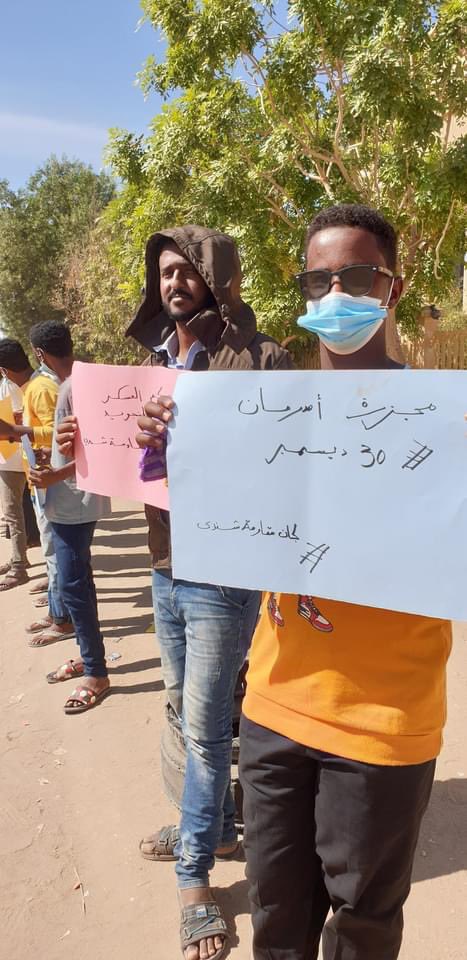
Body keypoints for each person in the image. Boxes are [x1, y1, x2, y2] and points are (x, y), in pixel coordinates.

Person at [57, 225, 291, 960]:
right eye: (162, 273)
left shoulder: (262, 359)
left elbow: (281, 460)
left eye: (186, 270)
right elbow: (130, 466)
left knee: (206, 722)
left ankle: (194, 879)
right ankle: (214, 827)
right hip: (164, 566)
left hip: (222, 572)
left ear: (217, 276)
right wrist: (80, 450)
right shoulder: (148, 365)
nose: (172, 283)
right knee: (179, 706)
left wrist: (194, 424)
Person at [239, 203, 452, 960]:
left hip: (382, 724)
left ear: (391, 289)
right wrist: (159, 444)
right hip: (272, 706)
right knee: (275, 916)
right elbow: (214, 515)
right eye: (318, 279)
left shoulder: (443, 421)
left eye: (356, 276)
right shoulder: (259, 413)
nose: (336, 295)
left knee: (361, 921)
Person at [29, 340, 111, 714]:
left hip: (73, 502)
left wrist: (52, 476)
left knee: (73, 585)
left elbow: (100, 448)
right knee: (79, 582)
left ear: (40, 353)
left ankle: (95, 671)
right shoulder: (80, 380)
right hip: (71, 501)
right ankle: (90, 656)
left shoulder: (75, 385)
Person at [0, 324, 74, 645]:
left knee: (56, 551)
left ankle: (62, 618)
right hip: (40, 478)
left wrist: (22, 432)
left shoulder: (40, 389)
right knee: (51, 549)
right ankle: (56, 610)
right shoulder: (37, 388)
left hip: (51, 479)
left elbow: (59, 432)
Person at [0, 341, 33, 589]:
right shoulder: (30, 382)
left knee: (13, 513)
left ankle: (19, 566)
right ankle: (17, 558)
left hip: (14, 456)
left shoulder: (16, 386)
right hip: (12, 455)